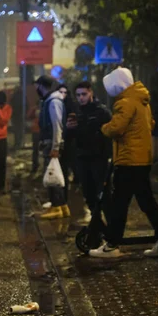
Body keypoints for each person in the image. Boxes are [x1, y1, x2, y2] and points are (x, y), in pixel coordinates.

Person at [89, 67, 158, 258]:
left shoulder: (126, 102)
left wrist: (103, 128)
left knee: (119, 204)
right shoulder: (141, 101)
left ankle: (112, 245)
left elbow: (116, 128)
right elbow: (150, 124)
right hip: (142, 159)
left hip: (129, 160)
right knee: (147, 202)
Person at [66, 81, 112, 224]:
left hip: (99, 158)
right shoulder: (76, 112)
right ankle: (97, 225)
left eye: (84, 94)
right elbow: (70, 139)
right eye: (78, 95)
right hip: (82, 158)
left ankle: (112, 228)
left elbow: (110, 135)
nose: (81, 98)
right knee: (88, 194)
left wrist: (109, 157)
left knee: (104, 195)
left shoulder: (102, 111)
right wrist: (69, 129)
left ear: (91, 92)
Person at [35, 76, 70, 219]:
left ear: (43, 86)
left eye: (38, 86)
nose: (37, 89)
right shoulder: (51, 101)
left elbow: (57, 126)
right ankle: (62, 206)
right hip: (50, 143)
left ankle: (56, 207)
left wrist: (55, 147)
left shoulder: (53, 102)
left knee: (52, 176)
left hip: (52, 144)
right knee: (55, 174)